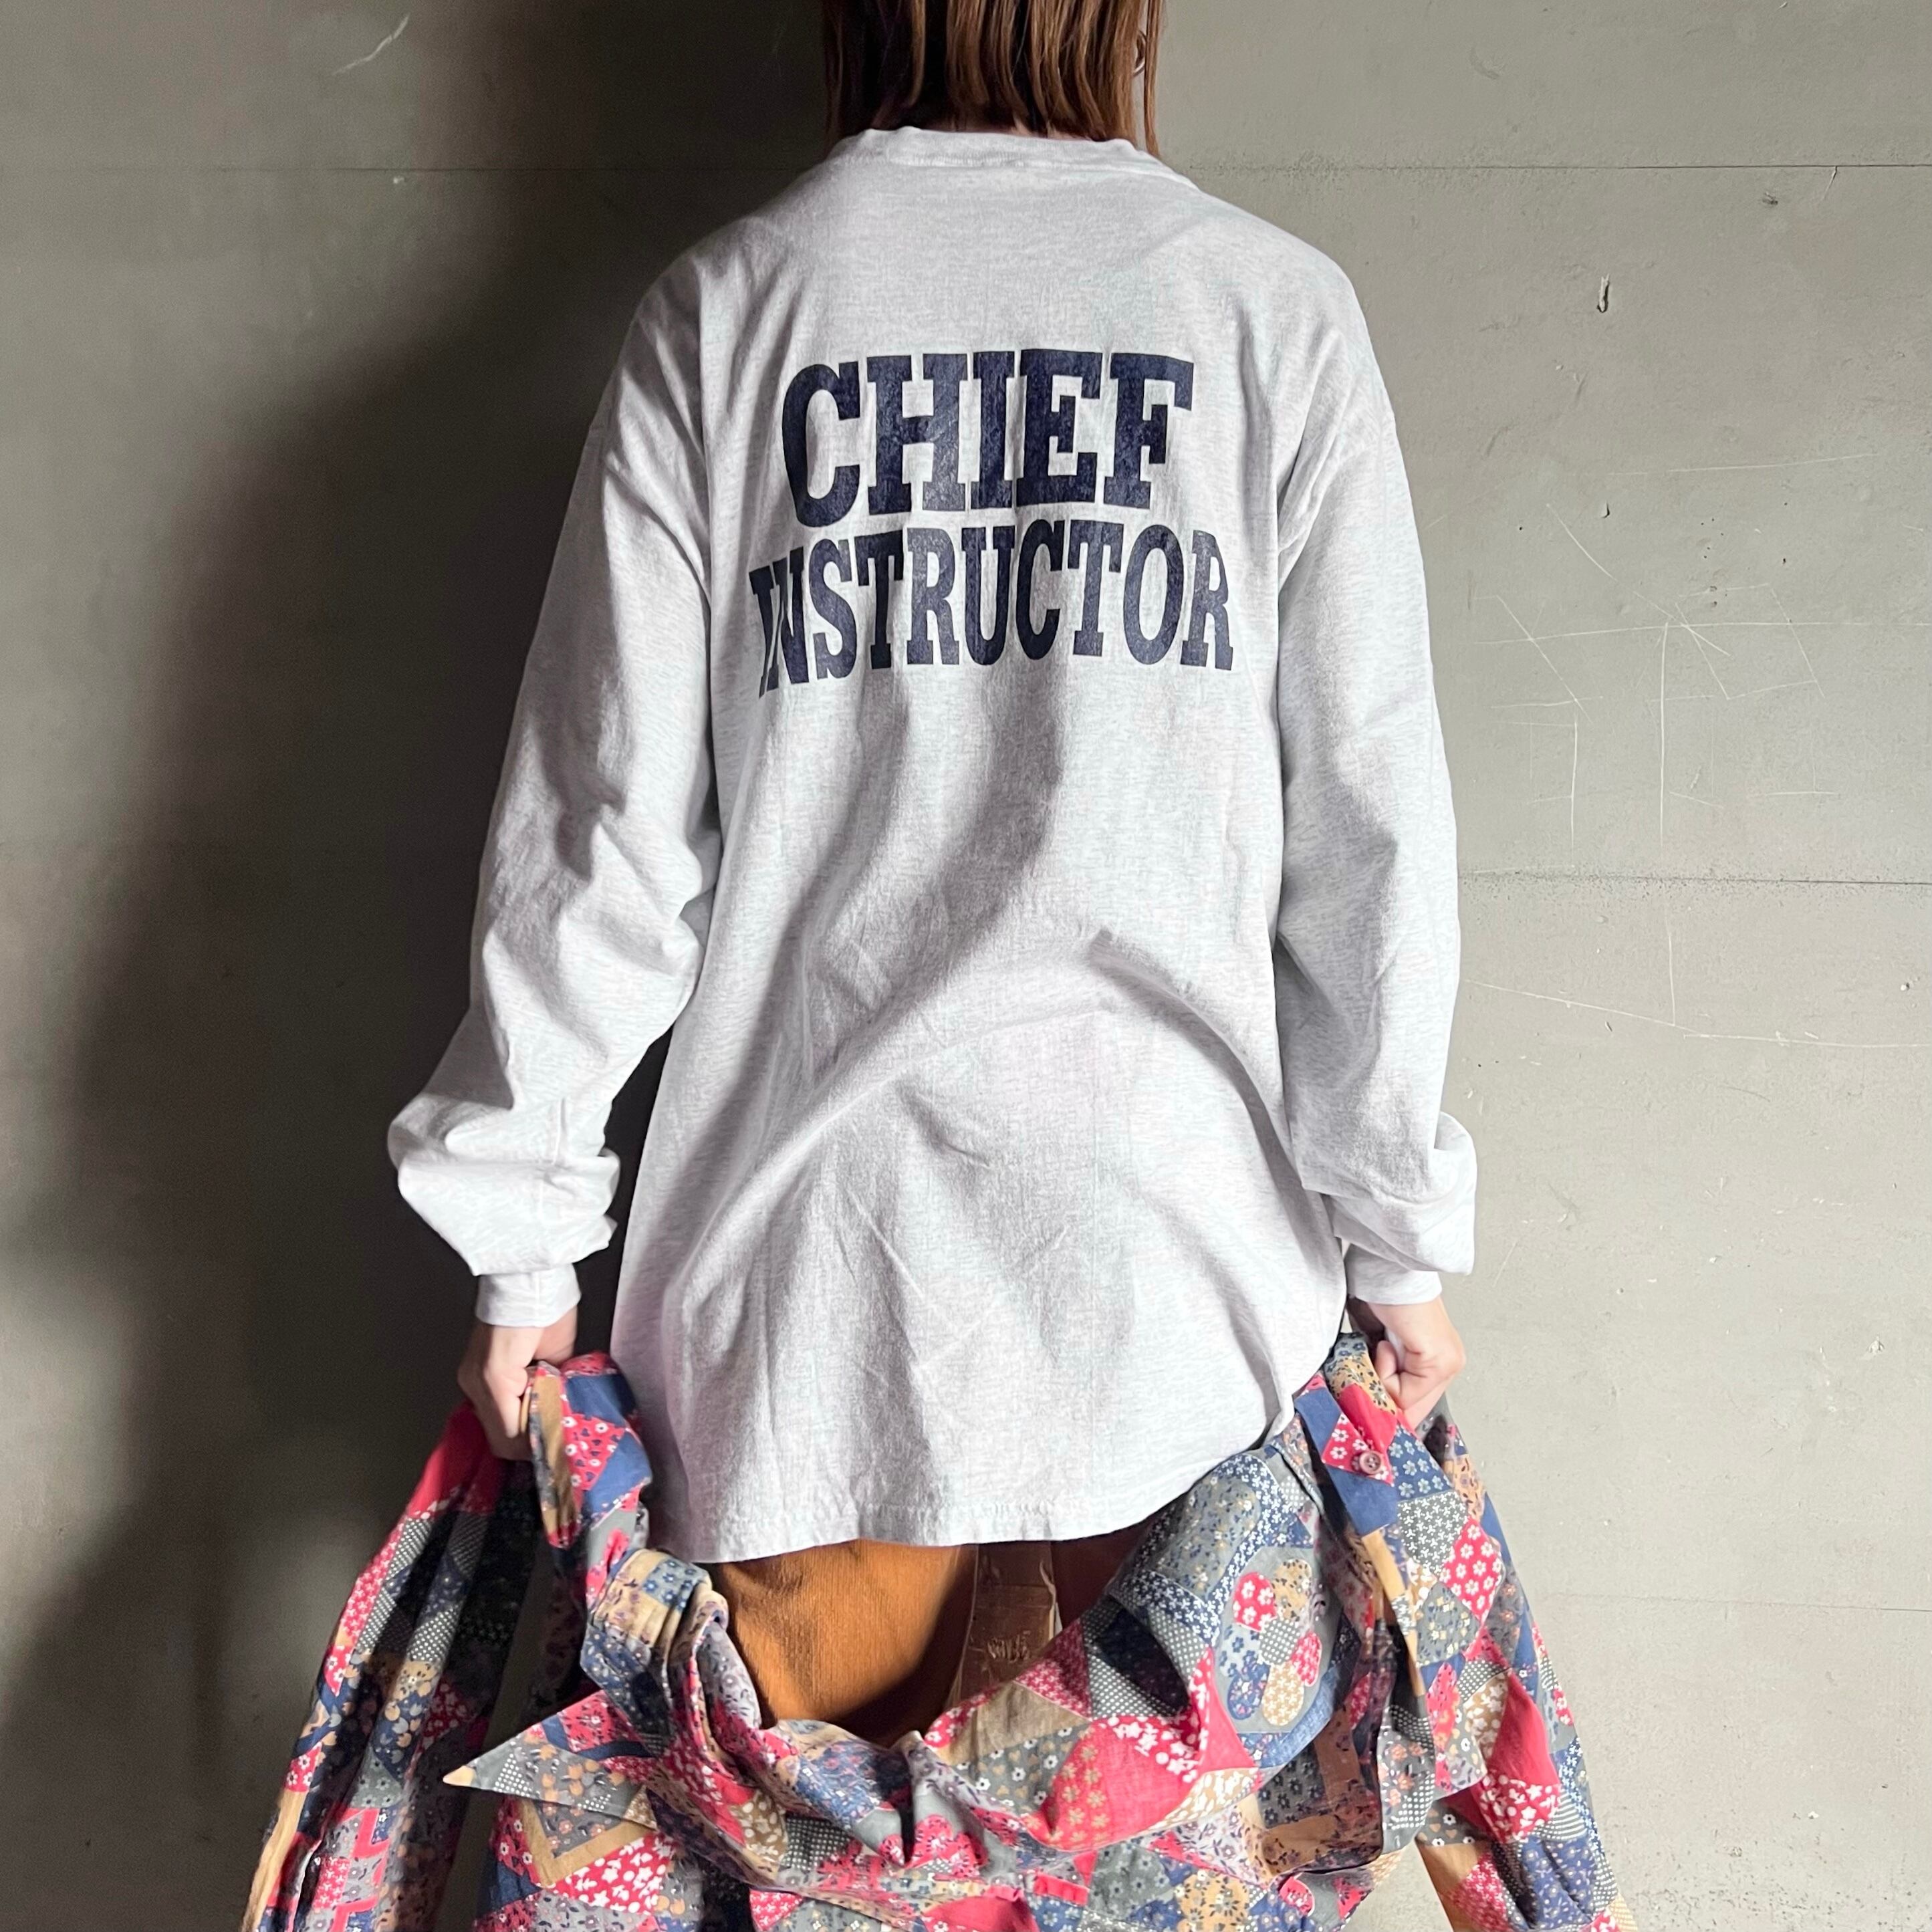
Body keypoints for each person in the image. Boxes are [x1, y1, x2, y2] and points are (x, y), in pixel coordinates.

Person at [389, 0, 1477, 1748]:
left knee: (816, 1864)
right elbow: (1365, 834)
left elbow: (601, 838)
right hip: (1176, 1306)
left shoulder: (735, 308)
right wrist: (1397, 1237)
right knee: (1161, 1866)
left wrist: (522, 1249)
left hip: (809, 1316)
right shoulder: (1265, 308)